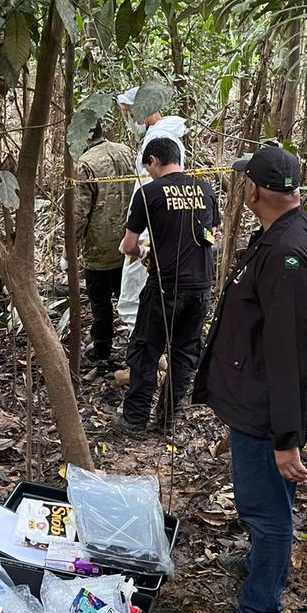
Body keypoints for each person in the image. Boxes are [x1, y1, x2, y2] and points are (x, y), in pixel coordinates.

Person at [192, 147, 307, 613]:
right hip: (269, 400)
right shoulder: (302, 229)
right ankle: (259, 560)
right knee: (274, 501)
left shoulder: (286, 253)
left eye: (243, 183)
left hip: (268, 410)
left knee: (267, 510)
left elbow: (289, 348)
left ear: (253, 190)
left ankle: (259, 611)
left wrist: (286, 435)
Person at [116, 137, 219, 435]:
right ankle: (168, 421)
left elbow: (129, 245)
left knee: (145, 350)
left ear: (153, 162)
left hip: (165, 287)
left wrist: (144, 253)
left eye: (148, 167)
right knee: (185, 353)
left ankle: (135, 419)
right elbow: (210, 235)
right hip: (201, 286)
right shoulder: (206, 188)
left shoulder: (149, 193)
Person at [114, 86, 188, 338]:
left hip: (149, 229)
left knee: (134, 293)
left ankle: (144, 355)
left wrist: (139, 236)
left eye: (129, 113)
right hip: (161, 225)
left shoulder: (158, 139)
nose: (128, 119)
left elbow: (152, 189)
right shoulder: (165, 134)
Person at [73, 120, 135, 364]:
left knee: (100, 304)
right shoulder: (126, 152)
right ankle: (136, 345)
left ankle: (102, 348)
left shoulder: (85, 164)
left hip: (99, 248)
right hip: (131, 241)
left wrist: (71, 247)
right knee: (129, 296)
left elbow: (79, 212)